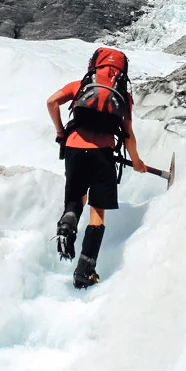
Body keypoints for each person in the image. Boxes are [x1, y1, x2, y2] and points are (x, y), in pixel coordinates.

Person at [46, 48, 147, 289]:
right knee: (97, 212)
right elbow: (128, 134)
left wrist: (61, 132)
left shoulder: (80, 85)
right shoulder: (122, 94)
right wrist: (137, 161)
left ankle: (68, 220)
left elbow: (51, 102)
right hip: (102, 153)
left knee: (75, 197)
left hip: (74, 149)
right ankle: (85, 271)